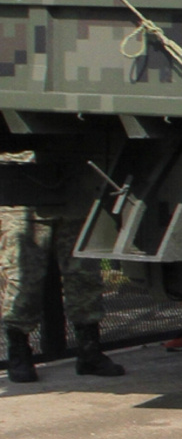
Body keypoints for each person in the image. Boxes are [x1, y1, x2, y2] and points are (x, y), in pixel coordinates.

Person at [0, 148, 122, 382]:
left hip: (72, 178)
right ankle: (19, 352)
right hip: (21, 180)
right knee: (23, 277)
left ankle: (89, 351)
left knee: (84, 273)